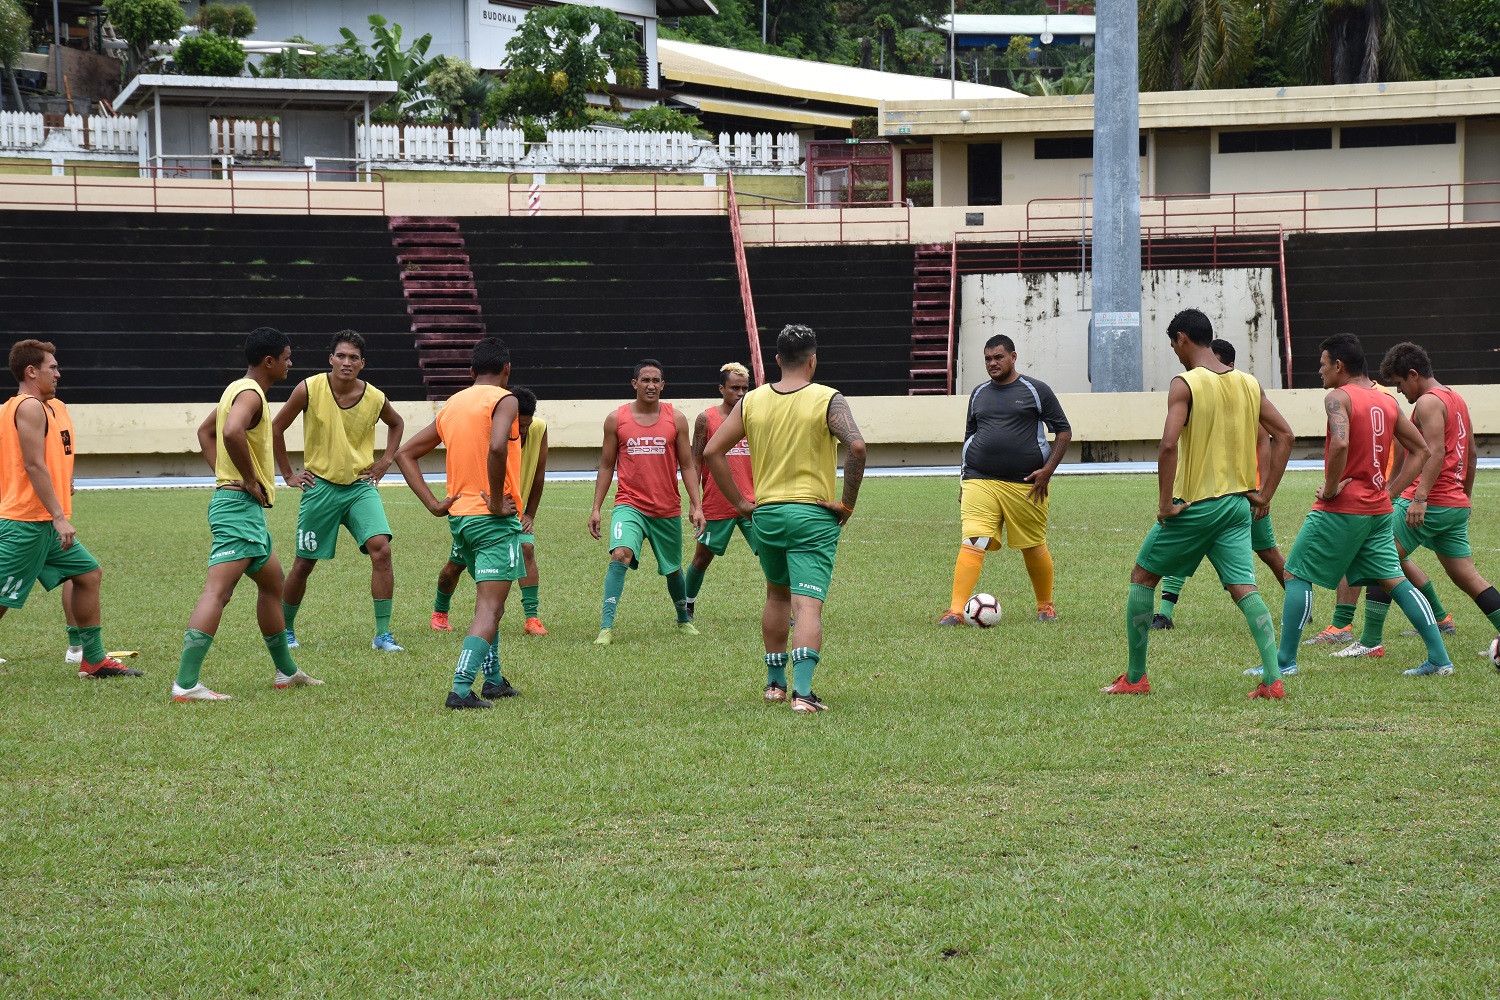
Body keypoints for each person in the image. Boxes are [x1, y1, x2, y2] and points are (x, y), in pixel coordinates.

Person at [1102, 308, 1293, 699]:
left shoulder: (1184, 384)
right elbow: (1284, 435)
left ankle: (1136, 679)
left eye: (1173, 343)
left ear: (1183, 339)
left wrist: (1165, 505)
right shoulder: (1248, 383)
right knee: (1244, 588)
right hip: (1238, 505)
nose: (1174, 350)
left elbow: (1168, 444)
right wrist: (1265, 494)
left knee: (1142, 578)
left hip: (1195, 505)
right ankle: (1273, 680)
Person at [1265, 333, 1455, 680]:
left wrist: (1333, 487)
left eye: (1322, 365)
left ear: (1339, 365)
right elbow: (1422, 452)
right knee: (1395, 580)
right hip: (1378, 511)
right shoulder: (1386, 401)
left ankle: (1284, 663)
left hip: (1343, 508)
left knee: (1295, 574)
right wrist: (1391, 492)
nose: (1320, 371)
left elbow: (1339, 444)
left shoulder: (1338, 398)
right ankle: (1440, 659)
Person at [704, 324, 867, 713]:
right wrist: (846, 504)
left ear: (776, 360)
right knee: (807, 604)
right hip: (812, 515)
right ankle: (804, 694)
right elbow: (856, 447)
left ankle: (775, 685)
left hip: (769, 514)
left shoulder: (752, 401)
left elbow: (712, 452)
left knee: (776, 594)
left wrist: (742, 504)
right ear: (813, 360)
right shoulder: (828, 398)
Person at [174, 327, 320, 702]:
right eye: (287, 357)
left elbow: (206, 432)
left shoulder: (236, 389)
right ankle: (186, 684)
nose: (291, 363)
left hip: (245, 510)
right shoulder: (251, 393)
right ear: (269, 361)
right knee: (218, 592)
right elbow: (230, 431)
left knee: (273, 583)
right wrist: (248, 478)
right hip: (237, 509)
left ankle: (287, 672)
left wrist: (227, 476)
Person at [1331, 342, 1500, 660]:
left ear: (1413, 374)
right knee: (1468, 576)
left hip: (1428, 502)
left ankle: (1369, 641)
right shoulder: (1456, 398)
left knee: (1378, 557)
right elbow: (1472, 454)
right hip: (1452, 504)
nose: (1400, 391)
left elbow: (1434, 451)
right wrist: (1465, 497)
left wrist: (1420, 498)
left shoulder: (1427, 402)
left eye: (1399, 383)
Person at [396, 337, 525, 710]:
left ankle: (495, 681)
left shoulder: (453, 404)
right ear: (506, 370)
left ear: (471, 373)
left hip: (462, 520)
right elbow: (498, 446)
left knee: (491, 602)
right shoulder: (506, 399)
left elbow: (405, 453)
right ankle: (460, 688)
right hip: (492, 520)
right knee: (489, 607)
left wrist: (434, 504)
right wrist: (500, 501)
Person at [0, 340, 136, 679]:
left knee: (88, 574)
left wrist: (64, 485)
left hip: (44, 520)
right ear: (31, 371)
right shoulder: (26, 406)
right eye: (52, 367)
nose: (59, 373)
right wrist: (59, 516)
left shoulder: (55, 406)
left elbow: (55, 456)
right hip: (26, 521)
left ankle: (91, 659)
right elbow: (32, 465)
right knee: (3, 597)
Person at [271, 331, 406, 652]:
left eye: (354, 358)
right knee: (304, 563)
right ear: (331, 359)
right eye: (341, 356)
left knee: (382, 550)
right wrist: (288, 474)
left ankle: (383, 635)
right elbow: (276, 427)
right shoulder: (309, 388)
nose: (347, 362)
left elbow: (396, 423)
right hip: (320, 489)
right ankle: (285, 631)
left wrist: (386, 460)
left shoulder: (374, 396)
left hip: (360, 488)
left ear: (362, 363)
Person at [1151, 338, 1288, 629]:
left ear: (1229, 366)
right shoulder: (1204, 389)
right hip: (1214, 492)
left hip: (1244, 492)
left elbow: (1267, 441)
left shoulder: (1244, 389)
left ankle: (1299, 601)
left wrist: (1264, 492)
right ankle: (1164, 613)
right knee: (1189, 549)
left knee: (1267, 551)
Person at [939, 334, 1071, 626]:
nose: (992, 363)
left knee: (1033, 545)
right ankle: (956, 611)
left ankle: (1045, 606)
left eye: (998, 357)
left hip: (1026, 484)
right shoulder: (978, 393)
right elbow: (969, 438)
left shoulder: (1036, 390)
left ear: (1013, 356)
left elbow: (1063, 432)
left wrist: (1048, 470)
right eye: (987, 359)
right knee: (974, 539)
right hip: (979, 480)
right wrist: (963, 479)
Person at [588, 359, 704, 645]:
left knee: (673, 568)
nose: (651, 385)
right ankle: (606, 627)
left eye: (656, 381)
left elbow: (688, 466)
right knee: (620, 555)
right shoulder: (616, 419)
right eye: (645, 380)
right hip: (629, 504)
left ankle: (682, 619)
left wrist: (696, 505)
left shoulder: (676, 419)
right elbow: (606, 465)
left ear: (663, 385)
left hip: (666, 507)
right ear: (634, 384)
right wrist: (596, 508)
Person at [431, 387, 550, 636]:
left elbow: (539, 476)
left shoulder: (539, 429)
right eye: (521, 426)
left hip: (512, 513)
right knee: (454, 566)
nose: (524, 431)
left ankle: (532, 618)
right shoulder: (493, 428)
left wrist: (530, 514)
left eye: (527, 425)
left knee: (527, 548)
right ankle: (440, 612)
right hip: (480, 514)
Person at [685, 362, 756, 619]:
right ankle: (686, 605)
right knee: (702, 558)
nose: (740, 393)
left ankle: (787, 608)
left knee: (775, 555)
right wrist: (695, 503)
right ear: (721, 388)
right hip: (717, 502)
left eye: (745, 388)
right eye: (734, 388)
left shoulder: (755, 417)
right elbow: (694, 460)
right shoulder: (706, 419)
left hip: (753, 502)